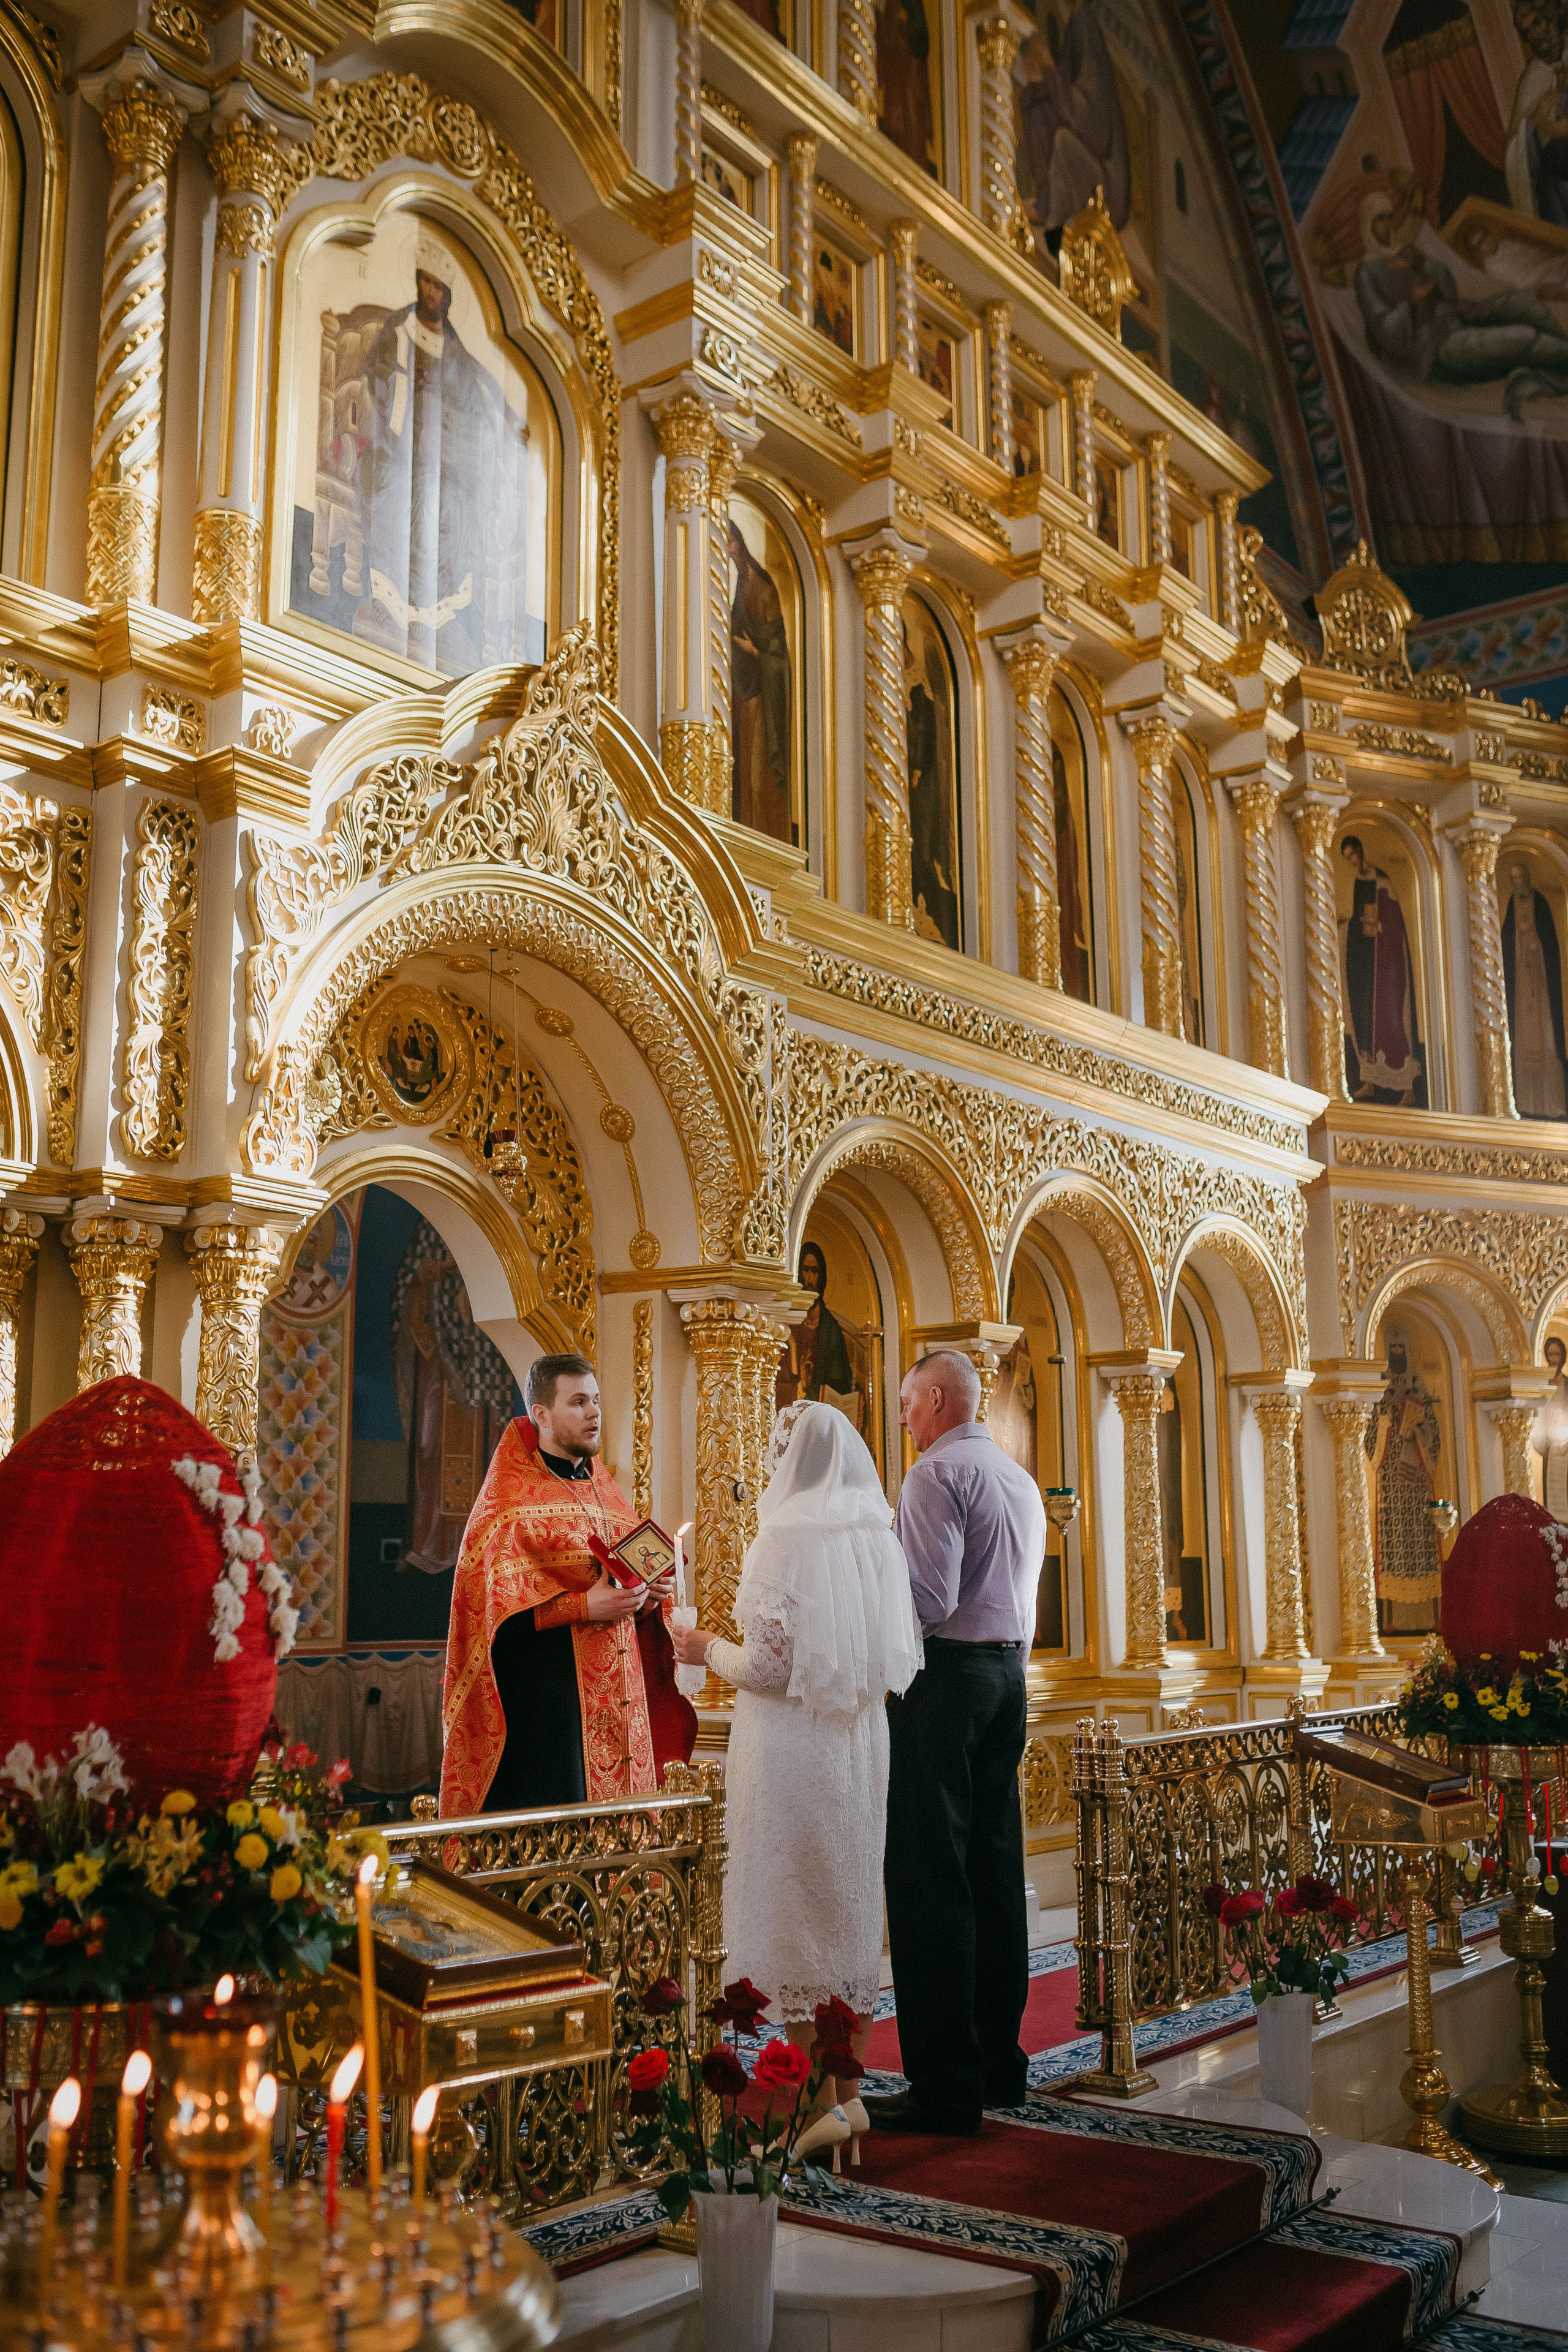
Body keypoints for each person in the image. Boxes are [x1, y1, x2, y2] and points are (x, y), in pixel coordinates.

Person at [672, 1401, 923, 2163]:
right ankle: (847, 2101)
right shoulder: (874, 1534)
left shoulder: (782, 1536)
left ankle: (819, 2106)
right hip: (860, 1743)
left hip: (794, 1750)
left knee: (794, 1911)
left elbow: (770, 1669)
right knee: (844, 1909)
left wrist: (701, 1643)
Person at [866, 1350, 1047, 2135]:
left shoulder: (935, 1476)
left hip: (942, 1680)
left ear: (936, 1399)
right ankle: (1000, 2065)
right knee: (995, 1870)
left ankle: (944, 2087)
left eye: (908, 1402)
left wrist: (868, 1602)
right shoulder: (1018, 1478)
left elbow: (929, 1599)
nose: (903, 1417)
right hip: (1008, 1677)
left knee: (929, 1878)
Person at [439, 1354, 693, 1814]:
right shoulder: (507, 1505)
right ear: (541, 1414)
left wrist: (646, 1601)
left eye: (595, 1401)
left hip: (622, 1712)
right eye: (578, 1402)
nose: (594, 1412)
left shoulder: (607, 1493)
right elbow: (486, 1625)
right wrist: (582, 1608)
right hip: (548, 1720)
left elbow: (624, 1600)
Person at [1364, 1329, 1441, 1637]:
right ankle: (1391, 1620)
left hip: (1418, 1480)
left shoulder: (1418, 1382)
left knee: (1422, 1545)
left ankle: (1432, 1619)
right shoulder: (1381, 1383)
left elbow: (1433, 1431)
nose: (1397, 1351)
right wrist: (1388, 1415)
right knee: (1393, 1548)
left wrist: (1417, 1432)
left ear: (1407, 1349)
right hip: (1391, 1481)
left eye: (1401, 1346)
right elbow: (1369, 1433)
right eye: (1392, 1347)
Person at [1340, 835, 1425, 1104]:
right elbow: (1360, 920)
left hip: (1389, 966)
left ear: (1362, 851)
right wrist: (1349, 924)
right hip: (1369, 964)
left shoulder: (1384, 881)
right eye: (1348, 859)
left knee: (1392, 1022)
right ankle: (1371, 1082)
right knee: (1368, 1023)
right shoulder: (1359, 882)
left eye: (1354, 856)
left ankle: (1408, 1089)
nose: (1353, 862)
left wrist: (1376, 926)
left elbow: (1393, 923)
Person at [1502, 859, 1567, 1118]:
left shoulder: (1539, 903)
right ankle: (1526, 1103)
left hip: (1540, 984)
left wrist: (1536, 943)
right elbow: (1506, 941)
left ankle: (1553, 1103)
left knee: (1546, 1036)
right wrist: (1518, 939)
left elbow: (1551, 943)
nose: (1518, 883)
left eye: (1521, 878)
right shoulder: (1511, 905)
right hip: (1521, 983)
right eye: (1514, 879)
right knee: (1524, 1040)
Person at [777, 1241, 856, 1414]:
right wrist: (801, 1385)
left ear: (822, 1276)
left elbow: (840, 1383)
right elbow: (777, 1380)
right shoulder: (787, 1323)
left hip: (823, 1413)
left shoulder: (830, 1328)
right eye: (806, 1270)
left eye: (815, 1271)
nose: (810, 1278)